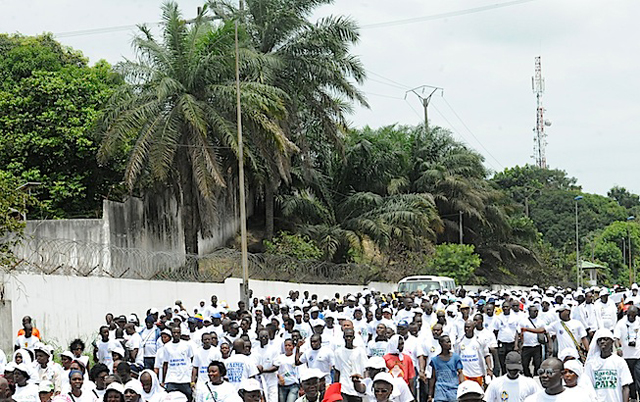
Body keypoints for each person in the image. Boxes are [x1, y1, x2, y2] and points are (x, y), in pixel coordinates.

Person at [583, 328, 632, 402]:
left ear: (612, 342)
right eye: (600, 340)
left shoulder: (619, 362)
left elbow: (625, 387)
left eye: (605, 339)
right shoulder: (591, 363)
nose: (602, 342)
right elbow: (587, 387)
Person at [523, 358, 589, 402]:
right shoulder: (532, 400)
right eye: (541, 372)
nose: (544, 375)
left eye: (549, 372)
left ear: (562, 374)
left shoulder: (579, 398)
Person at [159, 325, 194, 401]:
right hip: (172, 379)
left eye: (178, 333)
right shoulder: (167, 346)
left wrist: (192, 378)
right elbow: (165, 364)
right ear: (171, 333)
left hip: (185, 379)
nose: (176, 334)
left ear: (180, 333)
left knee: (188, 398)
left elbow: (191, 360)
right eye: (174, 333)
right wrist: (163, 380)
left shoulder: (187, 345)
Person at [334, 328, 368, 402]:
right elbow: (337, 370)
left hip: (356, 388)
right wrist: (336, 388)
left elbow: (365, 369)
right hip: (344, 387)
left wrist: (365, 384)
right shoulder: (338, 352)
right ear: (343, 337)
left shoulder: (360, 351)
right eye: (347, 336)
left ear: (354, 337)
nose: (348, 338)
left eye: (350, 336)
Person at [614, 304, 640, 401]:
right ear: (627, 313)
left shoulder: (639, 322)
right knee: (630, 379)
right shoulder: (621, 323)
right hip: (626, 356)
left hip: (638, 355)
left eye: (634, 315)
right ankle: (633, 397)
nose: (631, 317)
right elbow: (616, 337)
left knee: (639, 377)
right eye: (630, 315)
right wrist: (618, 348)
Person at [428, 335, 463, 402]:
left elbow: (460, 373)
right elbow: (433, 378)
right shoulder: (435, 360)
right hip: (440, 390)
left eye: (450, 342)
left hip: (453, 389)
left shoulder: (456, 358)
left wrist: (463, 388)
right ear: (441, 344)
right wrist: (430, 394)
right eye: (447, 342)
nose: (450, 344)